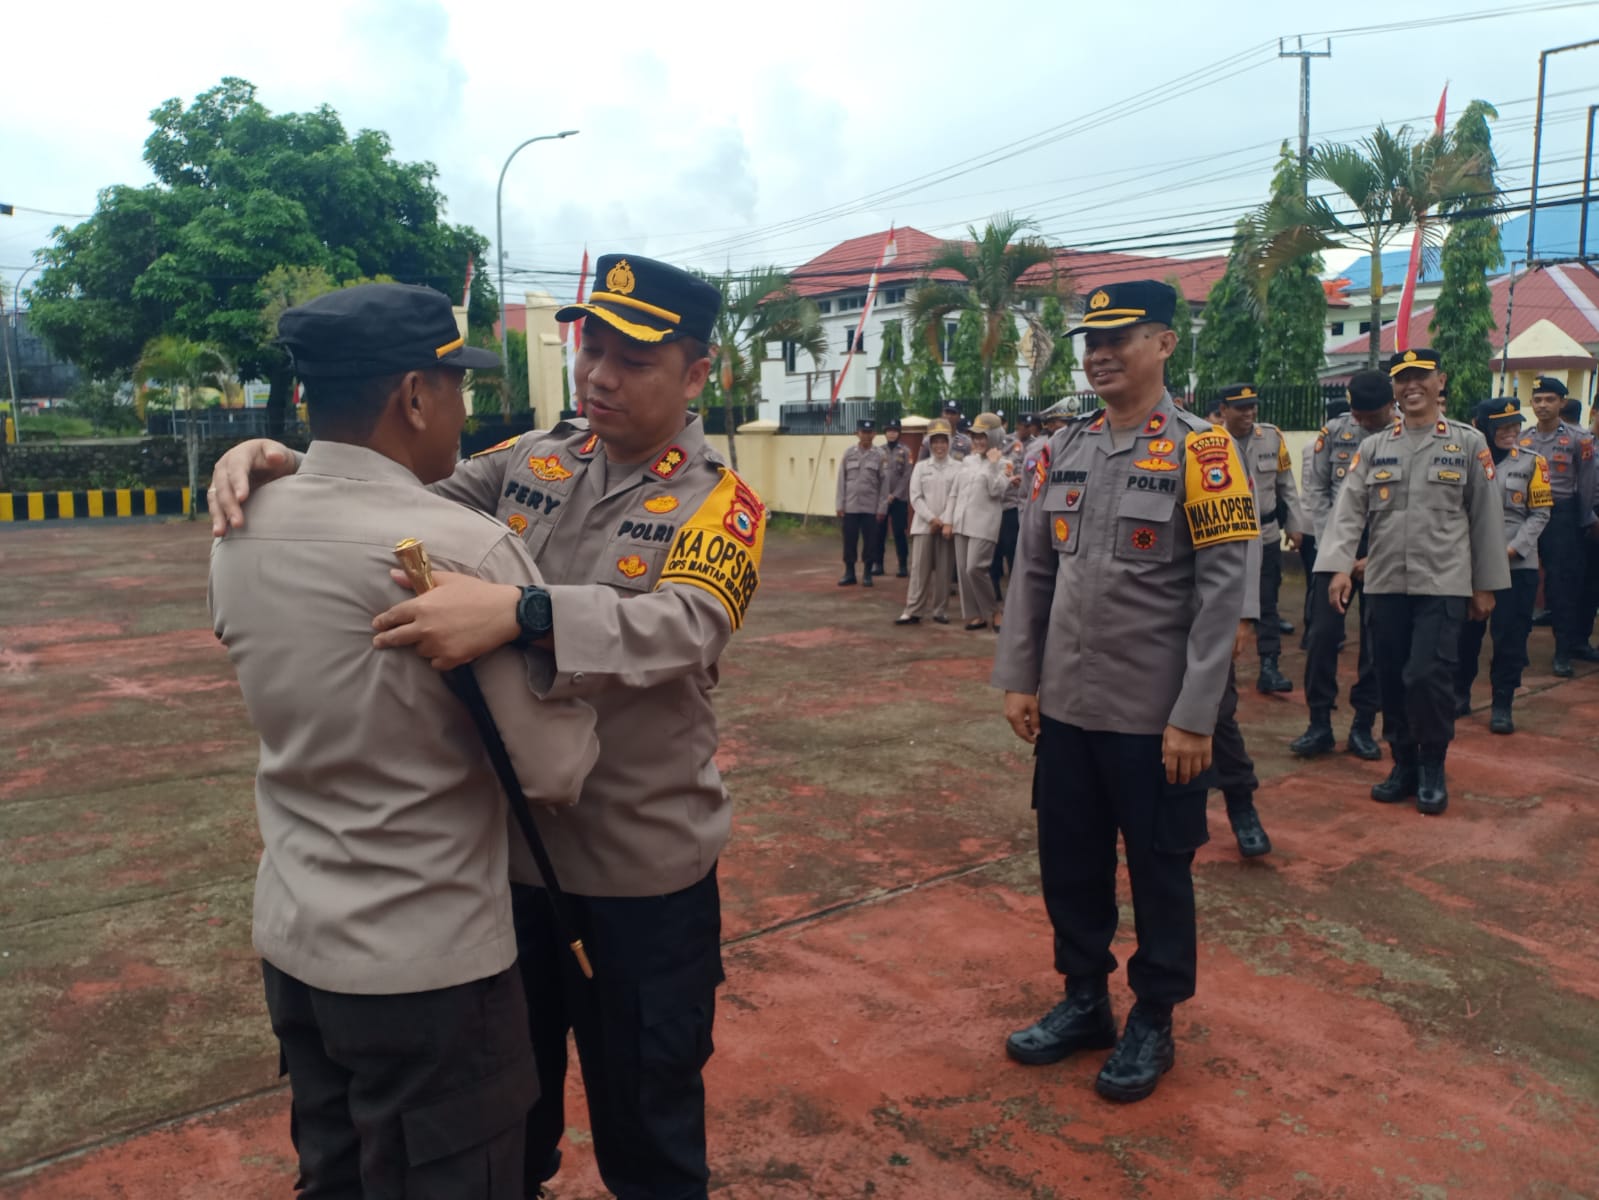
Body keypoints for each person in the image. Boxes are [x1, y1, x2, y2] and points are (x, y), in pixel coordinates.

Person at [209, 253, 761, 1200]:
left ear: (696, 374)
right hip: (505, 872)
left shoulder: (722, 501)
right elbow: (392, 492)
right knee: (505, 1129)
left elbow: (687, 625)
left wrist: (525, 614)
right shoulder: (532, 459)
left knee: (651, 1133)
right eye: (592, 350)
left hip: (638, 866)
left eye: (634, 360)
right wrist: (294, 465)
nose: (599, 377)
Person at [208, 283, 601, 1198]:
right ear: (415, 396)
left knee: (335, 1174)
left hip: (299, 941)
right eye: (457, 387)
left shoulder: (238, 528)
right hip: (430, 965)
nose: (464, 409)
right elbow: (551, 771)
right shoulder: (463, 547)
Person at [993, 280, 1254, 1103]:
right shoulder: (1063, 447)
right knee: (1068, 863)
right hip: (1067, 709)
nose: (1100, 354)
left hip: (1154, 718)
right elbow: (1034, 570)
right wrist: (1019, 677)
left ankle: (1153, 1017)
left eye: (1119, 338)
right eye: (1091, 341)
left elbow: (1222, 591)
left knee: (1158, 872)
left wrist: (1195, 715)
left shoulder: (1204, 451)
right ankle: (1084, 1001)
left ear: (1164, 344)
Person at [1316, 348, 1509, 815]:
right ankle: (1402, 763)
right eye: (1402, 379)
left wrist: (1485, 585)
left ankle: (1432, 765)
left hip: (1443, 583)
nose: (1411, 386)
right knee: (1390, 677)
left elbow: (1486, 517)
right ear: (1395, 389)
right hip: (1386, 583)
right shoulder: (1375, 447)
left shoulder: (1467, 444)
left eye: (1421, 376)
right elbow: (1349, 511)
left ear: (1441, 381)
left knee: (1427, 676)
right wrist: (1339, 566)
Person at [1290, 369, 1393, 761]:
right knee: (1321, 635)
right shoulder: (1333, 432)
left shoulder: (1403, 435)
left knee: (1376, 640)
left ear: (1390, 405)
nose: (1361, 421)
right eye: (1357, 413)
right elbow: (1316, 490)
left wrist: (1376, 554)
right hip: (1335, 545)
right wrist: (1333, 547)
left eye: (1370, 415)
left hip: (1383, 548)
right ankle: (1318, 722)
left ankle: (1363, 724)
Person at [1456, 398, 1552, 733]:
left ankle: (1502, 704)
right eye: (1503, 426)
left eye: (1515, 425)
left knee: (1510, 638)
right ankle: (1459, 694)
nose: (1511, 432)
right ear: (1483, 426)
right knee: (1465, 636)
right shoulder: (1466, 461)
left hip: (1517, 565)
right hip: (1472, 564)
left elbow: (1540, 514)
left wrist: (1512, 550)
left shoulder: (1533, 463)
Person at [1215, 383, 1304, 693]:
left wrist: (1295, 525)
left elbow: (1286, 485)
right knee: (1220, 604)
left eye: (1252, 406)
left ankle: (1269, 665)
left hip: (1265, 535)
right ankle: (1220, 667)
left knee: (1267, 603)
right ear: (1223, 410)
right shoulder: (1209, 441)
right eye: (1241, 408)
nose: (1249, 413)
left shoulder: (1271, 437)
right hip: (1224, 540)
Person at [1521, 376, 1598, 675]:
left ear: (1562, 402)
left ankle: (1563, 652)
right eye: (1538, 399)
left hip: (1561, 514)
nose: (1543, 405)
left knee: (1562, 586)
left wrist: (1585, 518)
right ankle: (1516, 649)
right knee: (1522, 580)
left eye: (1550, 399)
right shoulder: (1523, 438)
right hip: (1527, 513)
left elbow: (1588, 482)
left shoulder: (1581, 439)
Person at [944, 413, 1010, 631]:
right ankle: (975, 615)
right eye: (975, 437)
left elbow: (996, 491)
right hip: (961, 521)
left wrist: (992, 465)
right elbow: (955, 492)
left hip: (984, 524)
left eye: (983, 436)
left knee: (975, 568)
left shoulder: (1005, 464)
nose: (978, 441)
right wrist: (949, 520)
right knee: (964, 572)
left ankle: (994, 611)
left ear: (994, 437)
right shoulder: (967, 461)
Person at [897, 419, 959, 625]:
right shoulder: (921, 467)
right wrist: (931, 518)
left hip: (947, 527)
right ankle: (913, 610)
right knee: (919, 570)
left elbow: (957, 496)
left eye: (943, 441)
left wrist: (944, 520)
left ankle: (940, 610)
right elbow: (915, 497)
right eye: (935, 442)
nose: (939, 446)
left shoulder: (958, 468)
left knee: (944, 571)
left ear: (949, 442)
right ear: (929, 444)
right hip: (924, 526)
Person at [836, 417, 890, 587]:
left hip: (870, 507)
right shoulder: (848, 453)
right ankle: (849, 572)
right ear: (857, 433)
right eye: (863, 432)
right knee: (849, 540)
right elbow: (841, 480)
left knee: (870, 541)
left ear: (874, 434)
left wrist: (882, 508)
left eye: (869, 432)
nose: (866, 435)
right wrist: (839, 505)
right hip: (851, 506)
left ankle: (867, 573)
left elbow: (885, 484)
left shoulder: (880, 455)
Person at [988, 413, 1027, 599]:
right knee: (992, 551)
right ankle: (993, 591)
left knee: (1012, 549)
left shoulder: (1015, 444)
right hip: (989, 506)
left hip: (1010, 505)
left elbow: (1020, 471)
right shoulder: (980, 447)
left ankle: (1015, 592)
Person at [875, 418, 913, 577]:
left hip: (899, 499)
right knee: (879, 533)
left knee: (899, 533)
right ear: (885, 433)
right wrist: (883, 496)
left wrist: (895, 494)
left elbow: (907, 475)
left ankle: (902, 565)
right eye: (889, 431)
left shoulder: (905, 451)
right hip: (882, 499)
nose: (892, 433)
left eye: (895, 430)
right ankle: (878, 564)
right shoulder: (878, 451)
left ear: (899, 432)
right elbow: (876, 475)